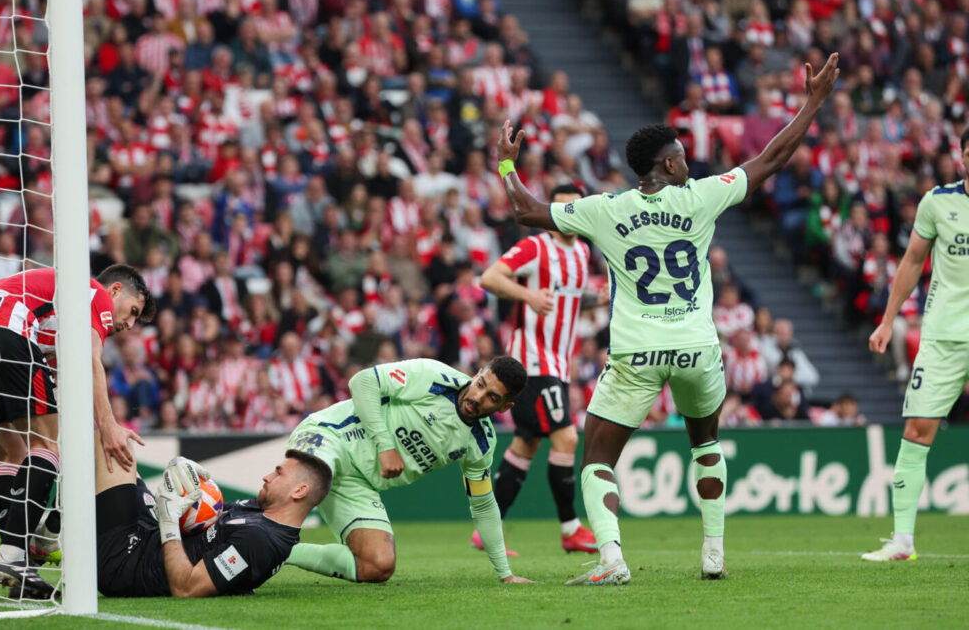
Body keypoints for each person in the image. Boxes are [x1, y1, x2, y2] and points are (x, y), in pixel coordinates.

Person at [494, 53, 840, 584]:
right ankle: (713, 554)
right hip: (697, 347)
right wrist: (813, 102)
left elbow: (525, 210)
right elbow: (772, 158)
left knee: (596, 460)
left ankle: (612, 559)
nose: (688, 162)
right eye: (681, 155)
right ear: (670, 165)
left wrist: (506, 166)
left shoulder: (605, 209)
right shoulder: (702, 197)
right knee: (706, 444)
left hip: (637, 352)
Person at [0, 264, 155, 597]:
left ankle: (19, 559)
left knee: (11, 453)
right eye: (132, 312)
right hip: (4, 329)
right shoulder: (95, 294)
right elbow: (91, 361)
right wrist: (109, 426)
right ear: (115, 290)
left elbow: (65, 393)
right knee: (46, 445)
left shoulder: (57, 325)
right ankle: (17, 555)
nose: (129, 325)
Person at [283, 356, 533, 584]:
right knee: (290, 497)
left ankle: (281, 552)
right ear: (477, 373)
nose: (478, 397)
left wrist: (505, 574)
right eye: (481, 384)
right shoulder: (434, 377)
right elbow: (362, 381)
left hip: (358, 482)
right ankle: (264, 534)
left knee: (378, 565)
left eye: (492, 397)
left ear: (505, 407)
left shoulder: (481, 442)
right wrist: (385, 445)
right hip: (329, 437)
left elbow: (483, 505)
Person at [471, 183, 607, 554]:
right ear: (550, 212)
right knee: (567, 439)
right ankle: (570, 529)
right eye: (562, 209)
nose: (569, 216)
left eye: (575, 209)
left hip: (558, 363)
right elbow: (490, 278)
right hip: (532, 361)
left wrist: (597, 300)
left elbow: (568, 300)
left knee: (526, 445)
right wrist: (527, 294)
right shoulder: (536, 247)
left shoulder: (582, 252)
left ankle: (487, 531)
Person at [861, 126, 969, 563]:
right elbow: (911, 261)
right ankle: (902, 541)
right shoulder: (937, 202)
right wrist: (888, 321)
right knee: (916, 431)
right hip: (944, 336)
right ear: (961, 156)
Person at [94, 435, 331, 597]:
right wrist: (183, 477)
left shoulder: (261, 541)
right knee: (117, 441)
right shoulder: (261, 511)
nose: (267, 477)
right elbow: (200, 515)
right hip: (150, 532)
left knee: (105, 440)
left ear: (299, 491)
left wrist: (168, 521)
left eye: (278, 474)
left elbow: (186, 588)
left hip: (127, 562)